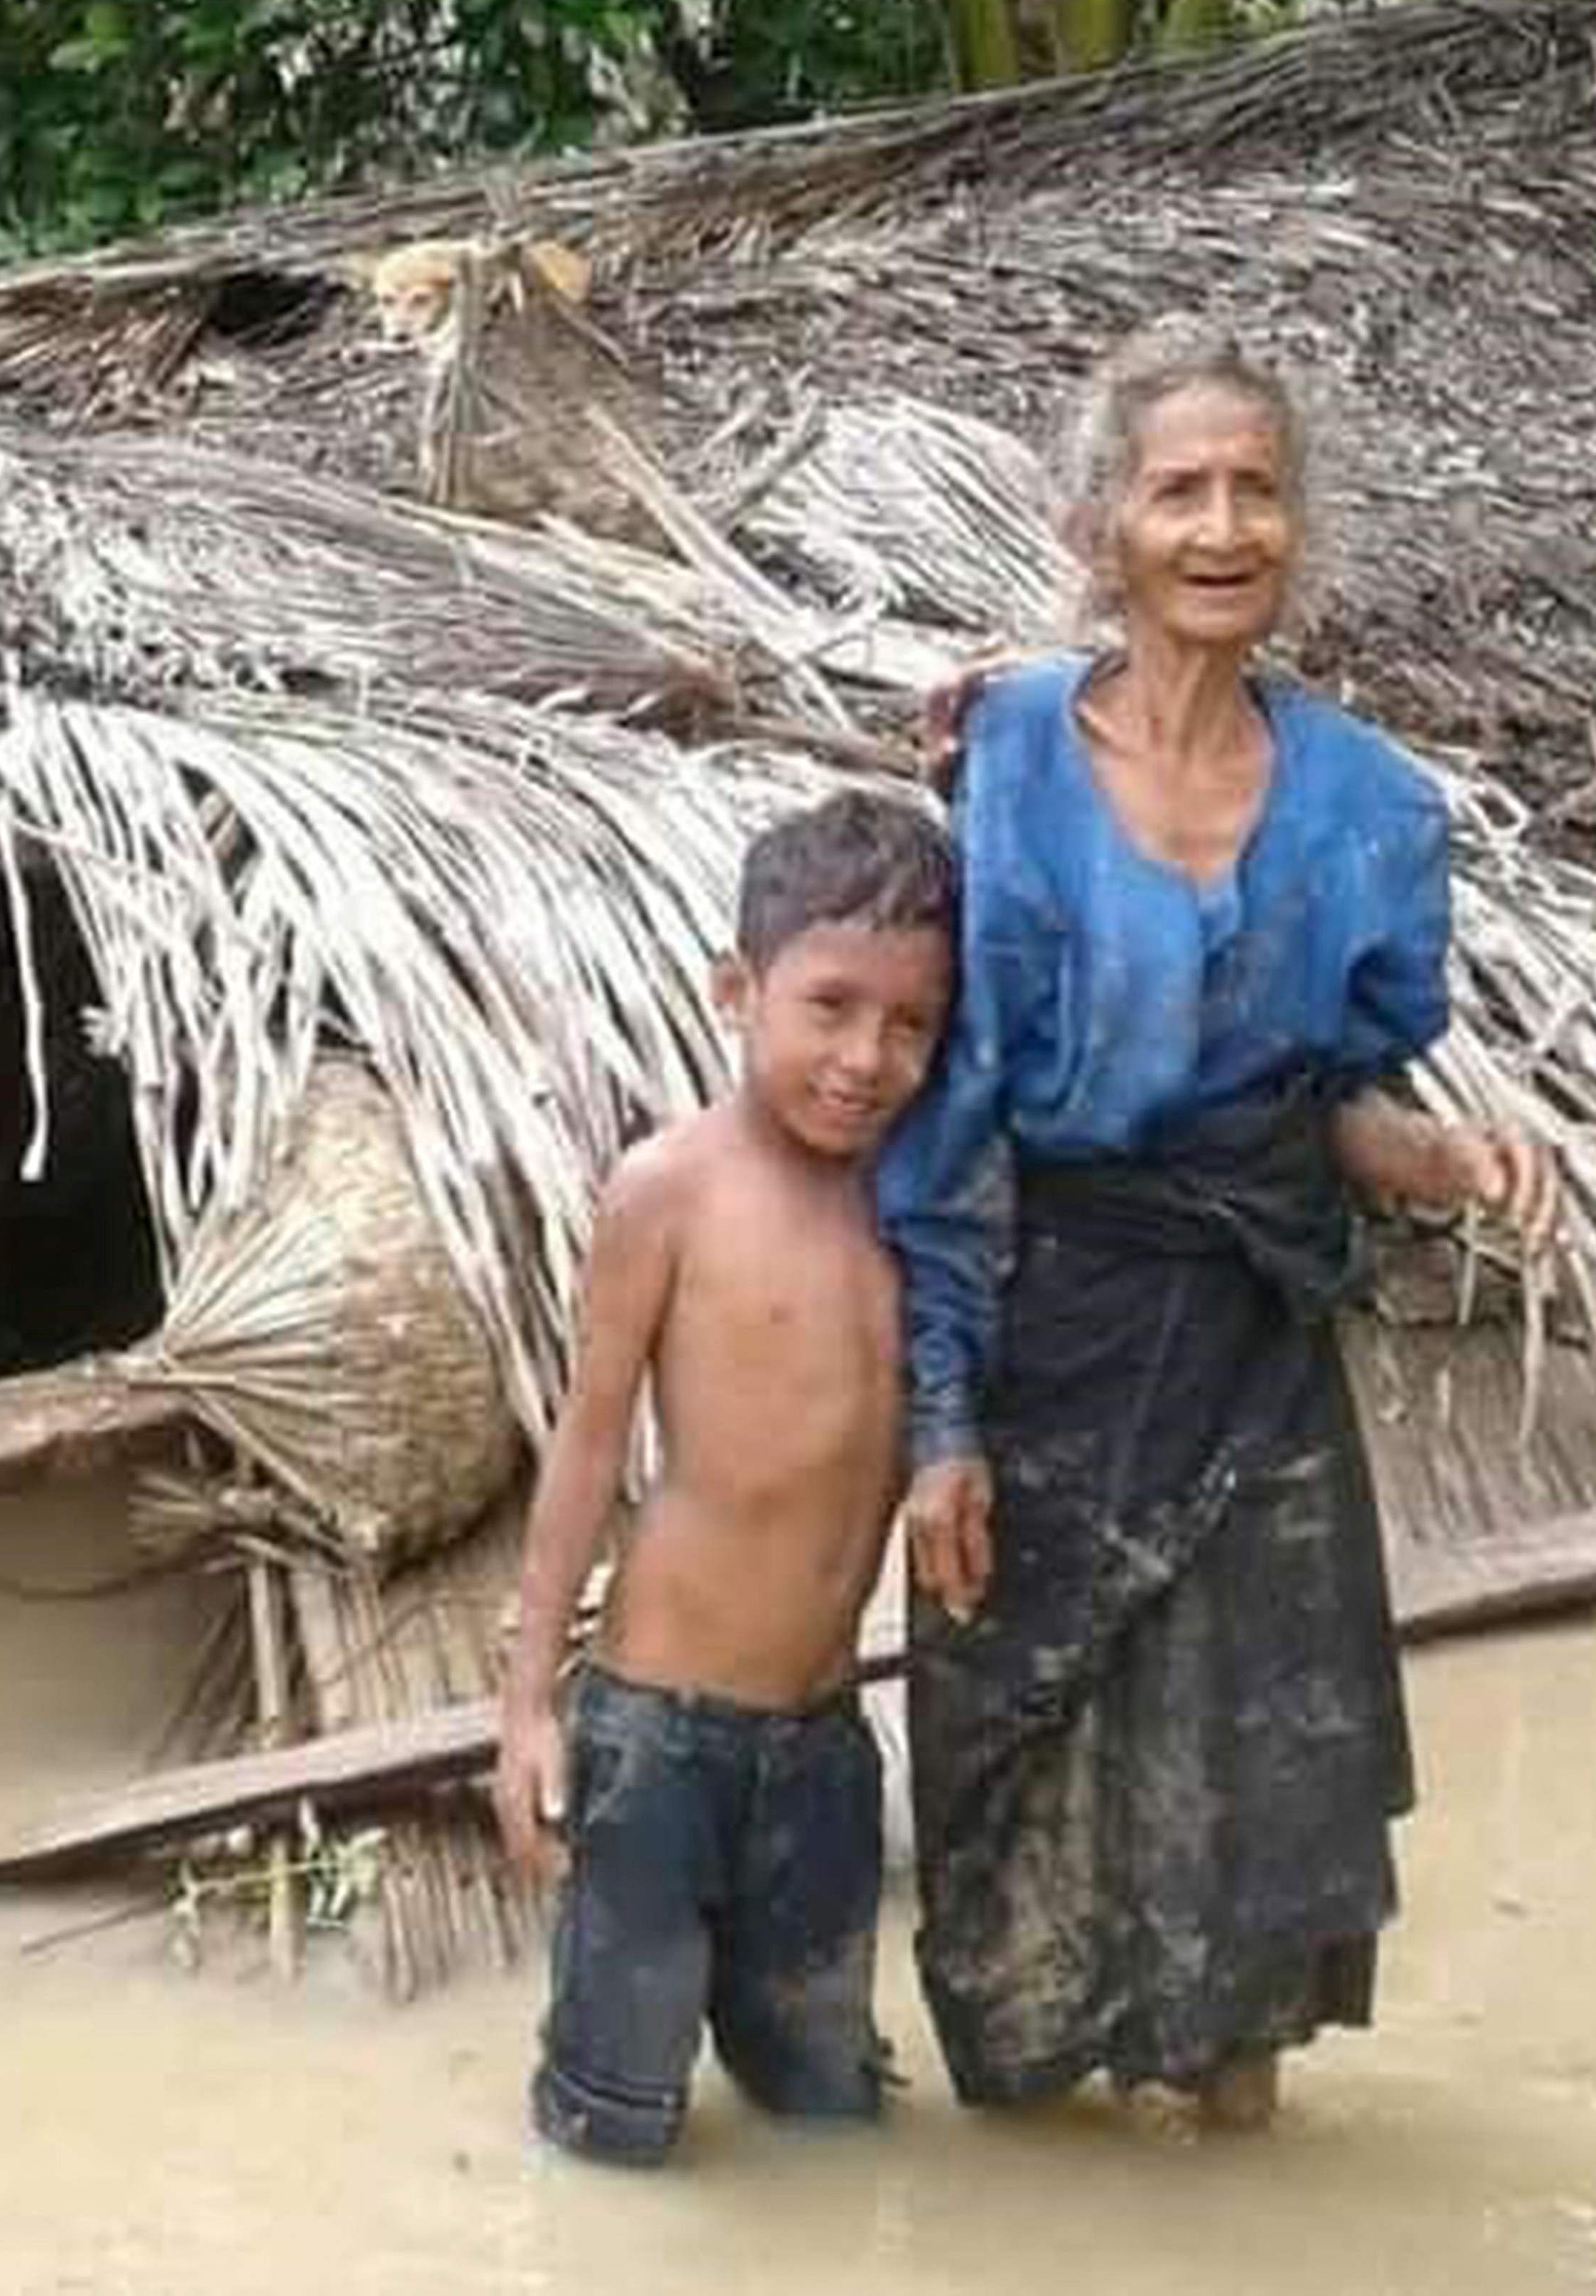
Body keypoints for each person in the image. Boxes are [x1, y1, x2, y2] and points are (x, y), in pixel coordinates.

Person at [876, 324, 1561, 2134]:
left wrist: (1450, 1157)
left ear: (1300, 526)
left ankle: (1235, 2172)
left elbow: (1326, 1109)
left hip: (1256, 1350)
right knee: (1012, 1795)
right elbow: (954, 1124)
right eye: (1179, 488)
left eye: (1258, 488)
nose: (1222, 525)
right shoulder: (1007, 754)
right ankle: (1047, 2170)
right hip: (1048, 1336)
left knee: (1264, 1790)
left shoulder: (1370, 809)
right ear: (1103, 523)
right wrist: (939, 1420)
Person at [491, 789, 962, 2166]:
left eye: (912, 1023)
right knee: (613, 2128)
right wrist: (527, 1708)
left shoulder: (927, 1201)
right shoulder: (672, 1188)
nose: (866, 1057)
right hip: (659, 1740)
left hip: (824, 1745)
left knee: (827, 2113)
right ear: (736, 992)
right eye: (830, 1007)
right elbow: (589, 1445)